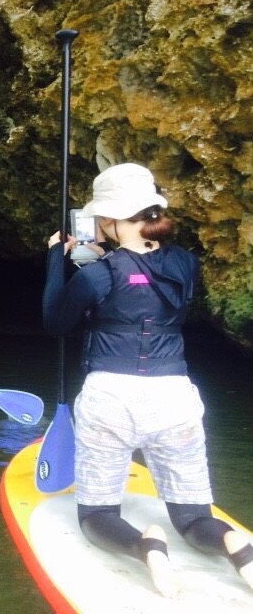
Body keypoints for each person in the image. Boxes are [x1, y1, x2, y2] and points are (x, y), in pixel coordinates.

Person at [43, 163, 253, 598]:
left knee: (96, 515)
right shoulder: (187, 264)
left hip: (110, 398)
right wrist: (115, 255)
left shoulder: (96, 275)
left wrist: (55, 260)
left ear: (113, 219)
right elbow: (146, 278)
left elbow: (55, 321)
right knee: (194, 518)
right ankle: (235, 546)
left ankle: (145, 546)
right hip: (174, 397)